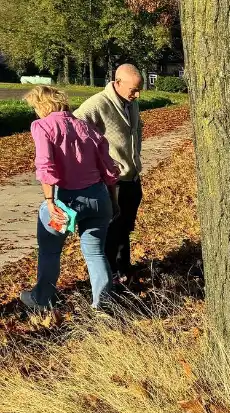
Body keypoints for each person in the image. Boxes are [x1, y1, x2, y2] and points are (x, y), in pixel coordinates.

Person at [19, 86, 120, 311]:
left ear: (43, 105)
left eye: (35, 107)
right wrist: (113, 202)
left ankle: (43, 299)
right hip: (98, 198)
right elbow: (109, 171)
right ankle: (103, 305)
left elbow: (45, 165)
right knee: (96, 252)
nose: (35, 112)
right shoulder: (88, 128)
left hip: (64, 200)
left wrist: (49, 201)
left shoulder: (42, 126)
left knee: (50, 251)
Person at [75, 63, 144, 283]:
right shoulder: (98, 104)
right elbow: (74, 127)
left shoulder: (131, 104)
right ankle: (109, 276)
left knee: (126, 227)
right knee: (112, 230)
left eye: (139, 89)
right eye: (133, 89)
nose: (137, 94)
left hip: (132, 177)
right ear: (117, 83)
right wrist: (97, 164)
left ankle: (124, 268)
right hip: (113, 182)